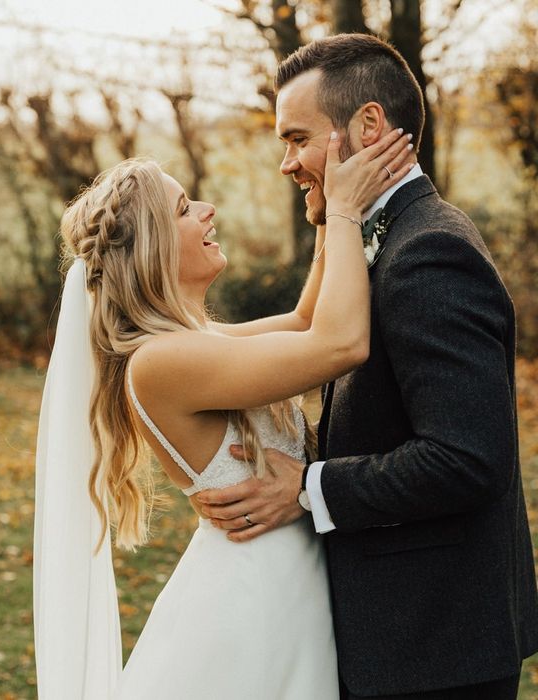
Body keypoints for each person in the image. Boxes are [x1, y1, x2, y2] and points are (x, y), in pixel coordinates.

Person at [197, 33, 538, 700]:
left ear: (369, 125)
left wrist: (309, 487)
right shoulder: (379, 241)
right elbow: (310, 334)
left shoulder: (428, 255)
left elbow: (468, 458)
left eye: (297, 139)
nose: (286, 164)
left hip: (434, 648)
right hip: (410, 637)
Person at [33, 124, 414, 698]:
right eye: (186, 208)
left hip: (283, 590)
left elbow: (305, 322)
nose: (208, 210)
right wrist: (345, 211)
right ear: (155, 246)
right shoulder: (161, 363)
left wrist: (321, 206)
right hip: (251, 609)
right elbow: (339, 344)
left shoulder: (198, 339)